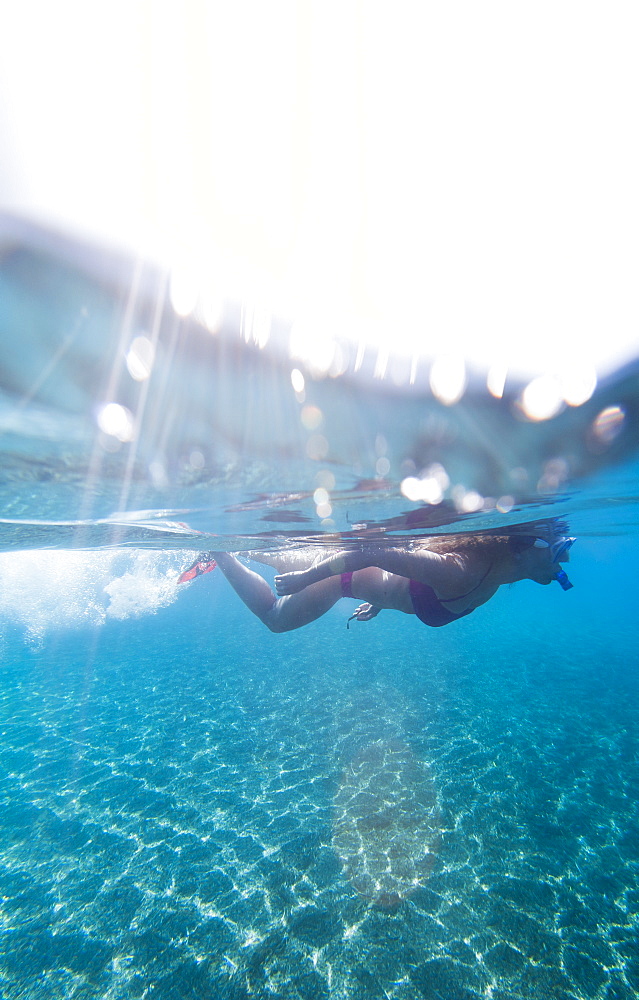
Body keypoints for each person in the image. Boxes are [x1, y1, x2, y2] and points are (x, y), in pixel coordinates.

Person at [182, 525, 575, 633]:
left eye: (562, 546)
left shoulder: (494, 572)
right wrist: (307, 580)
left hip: (357, 577)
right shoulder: (464, 571)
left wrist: (385, 602)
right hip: (346, 575)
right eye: (556, 547)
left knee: (286, 561)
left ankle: (230, 547)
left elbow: (412, 587)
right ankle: (217, 549)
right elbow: (369, 553)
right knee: (275, 618)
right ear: (521, 549)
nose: (566, 558)